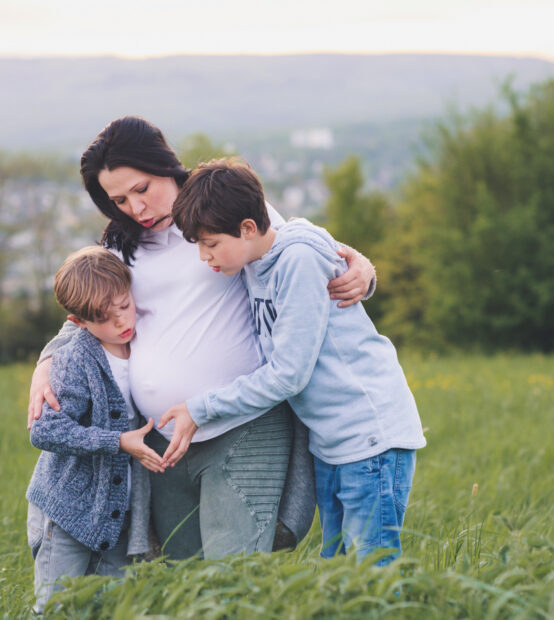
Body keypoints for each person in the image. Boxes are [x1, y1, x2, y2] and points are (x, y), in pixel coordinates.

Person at [27, 116, 377, 560]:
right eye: (118, 199)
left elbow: (293, 251)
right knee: (183, 576)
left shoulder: (222, 210)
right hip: (162, 439)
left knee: (233, 572)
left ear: (166, 166)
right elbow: (88, 310)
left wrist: (359, 266)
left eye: (142, 188)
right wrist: (48, 360)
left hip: (242, 423)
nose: (136, 207)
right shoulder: (120, 247)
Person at [161, 158, 426, 565]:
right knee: (339, 566)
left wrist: (202, 409)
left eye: (210, 244)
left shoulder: (296, 259)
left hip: (369, 435)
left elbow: (289, 374)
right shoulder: (253, 258)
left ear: (248, 228)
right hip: (333, 441)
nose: (203, 257)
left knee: (373, 571)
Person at [25, 246, 163, 613]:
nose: (121, 321)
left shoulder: (143, 343)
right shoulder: (75, 358)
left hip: (119, 513)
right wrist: (117, 441)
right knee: (57, 605)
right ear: (79, 322)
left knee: (113, 607)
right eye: (105, 317)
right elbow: (45, 431)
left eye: (124, 305)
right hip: (68, 511)